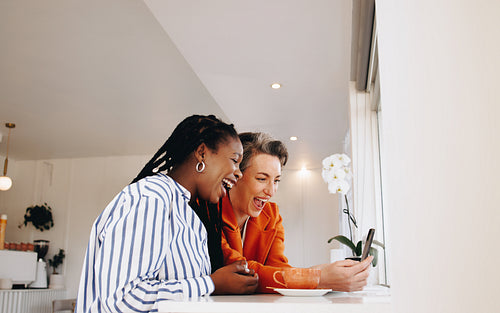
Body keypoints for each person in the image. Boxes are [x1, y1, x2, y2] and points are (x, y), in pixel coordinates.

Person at [76, 115, 258, 313]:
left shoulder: (188, 214)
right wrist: (211, 284)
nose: (239, 173)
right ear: (202, 153)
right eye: (234, 160)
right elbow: (123, 300)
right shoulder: (150, 198)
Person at [218, 132, 372, 293]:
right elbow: (238, 269)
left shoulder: (271, 214)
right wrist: (317, 277)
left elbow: (277, 268)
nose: (271, 191)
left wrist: (318, 275)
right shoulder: (209, 211)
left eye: (276, 180)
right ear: (235, 175)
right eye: (262, 179)